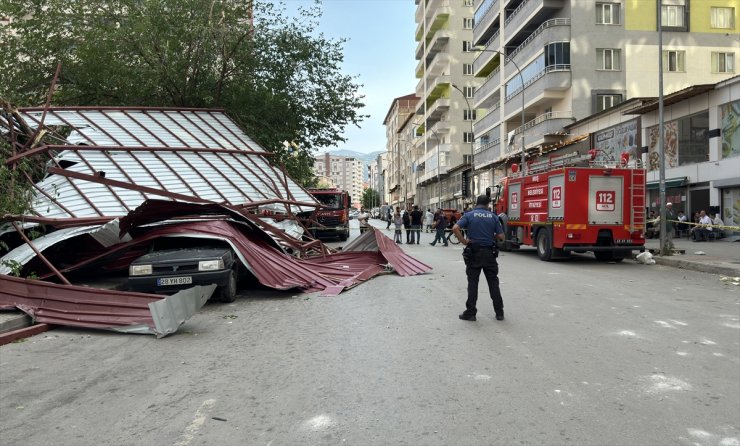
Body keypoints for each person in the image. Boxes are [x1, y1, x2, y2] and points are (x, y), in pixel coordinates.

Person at [452, 195, 505, 322]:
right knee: (493, 283)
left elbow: (455, 228)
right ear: (488, 204)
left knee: (473, 283)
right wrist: (491, 236)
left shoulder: (470, 215)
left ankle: (470, 313)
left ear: (476, 203)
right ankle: (499, 313)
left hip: (474, 253)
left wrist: (464, 242)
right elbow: (501, 236)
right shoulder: (493, 217)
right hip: (489, 254)